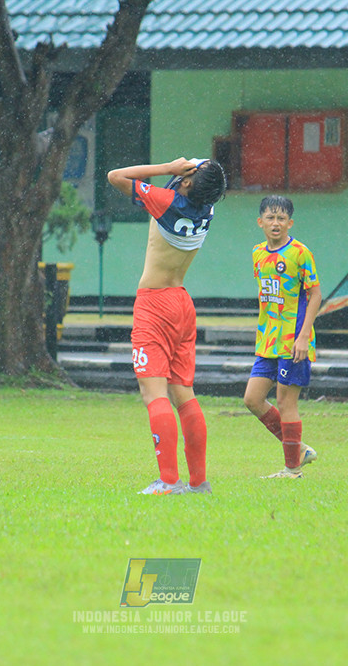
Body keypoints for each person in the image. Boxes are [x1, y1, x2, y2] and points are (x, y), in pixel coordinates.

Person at [107, 157, 227, 495]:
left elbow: (115, 175)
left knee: (154, 393)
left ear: (186, 182)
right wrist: (190, 175)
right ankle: (199, 482)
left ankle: (169, 481)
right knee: (183, 393)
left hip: (154, 304)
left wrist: (168, 168)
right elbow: (203, 183)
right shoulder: (207, 208)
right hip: (182, 303)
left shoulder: (166, 201)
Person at [243, 196, 322, 478]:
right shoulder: (257, 253)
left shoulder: (300, 253)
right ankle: (298, 449)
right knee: (252, 399)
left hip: (293, 340)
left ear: (290, 223)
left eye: (281, 218)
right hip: (268, 340)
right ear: (260, 222)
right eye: (270, 217)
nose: (275, 223)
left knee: (286, 402)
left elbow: (315, 294)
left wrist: (303, 336)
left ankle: (292, 469)